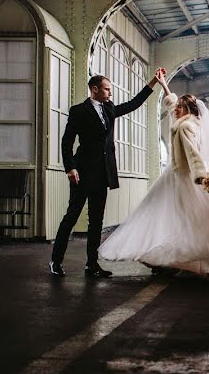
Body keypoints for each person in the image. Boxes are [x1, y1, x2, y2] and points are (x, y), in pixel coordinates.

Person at [98, 69, 209, 279]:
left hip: (180, 178)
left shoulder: (184, 127)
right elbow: (172, 104)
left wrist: (200, 175)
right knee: (186, 219)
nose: (175, 109)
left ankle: (162, 256)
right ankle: (179, 260)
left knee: (164, 216)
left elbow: (194, 155)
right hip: (179, 177)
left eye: (179, 107)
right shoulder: (192, 123)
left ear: (186, 109)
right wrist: (164, 84)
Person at [48, 69, 162, 278]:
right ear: (95, 89)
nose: (111, 93)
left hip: (103, 174)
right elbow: (66, 142)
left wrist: (153, 81)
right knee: (71, 217)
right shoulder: (78, 111)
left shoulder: (109, 108)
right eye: (107, 89)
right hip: (81, 173)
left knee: (97, 221)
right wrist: (70, 167)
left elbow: (133, 104)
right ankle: (55, 261)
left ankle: (92, 265)